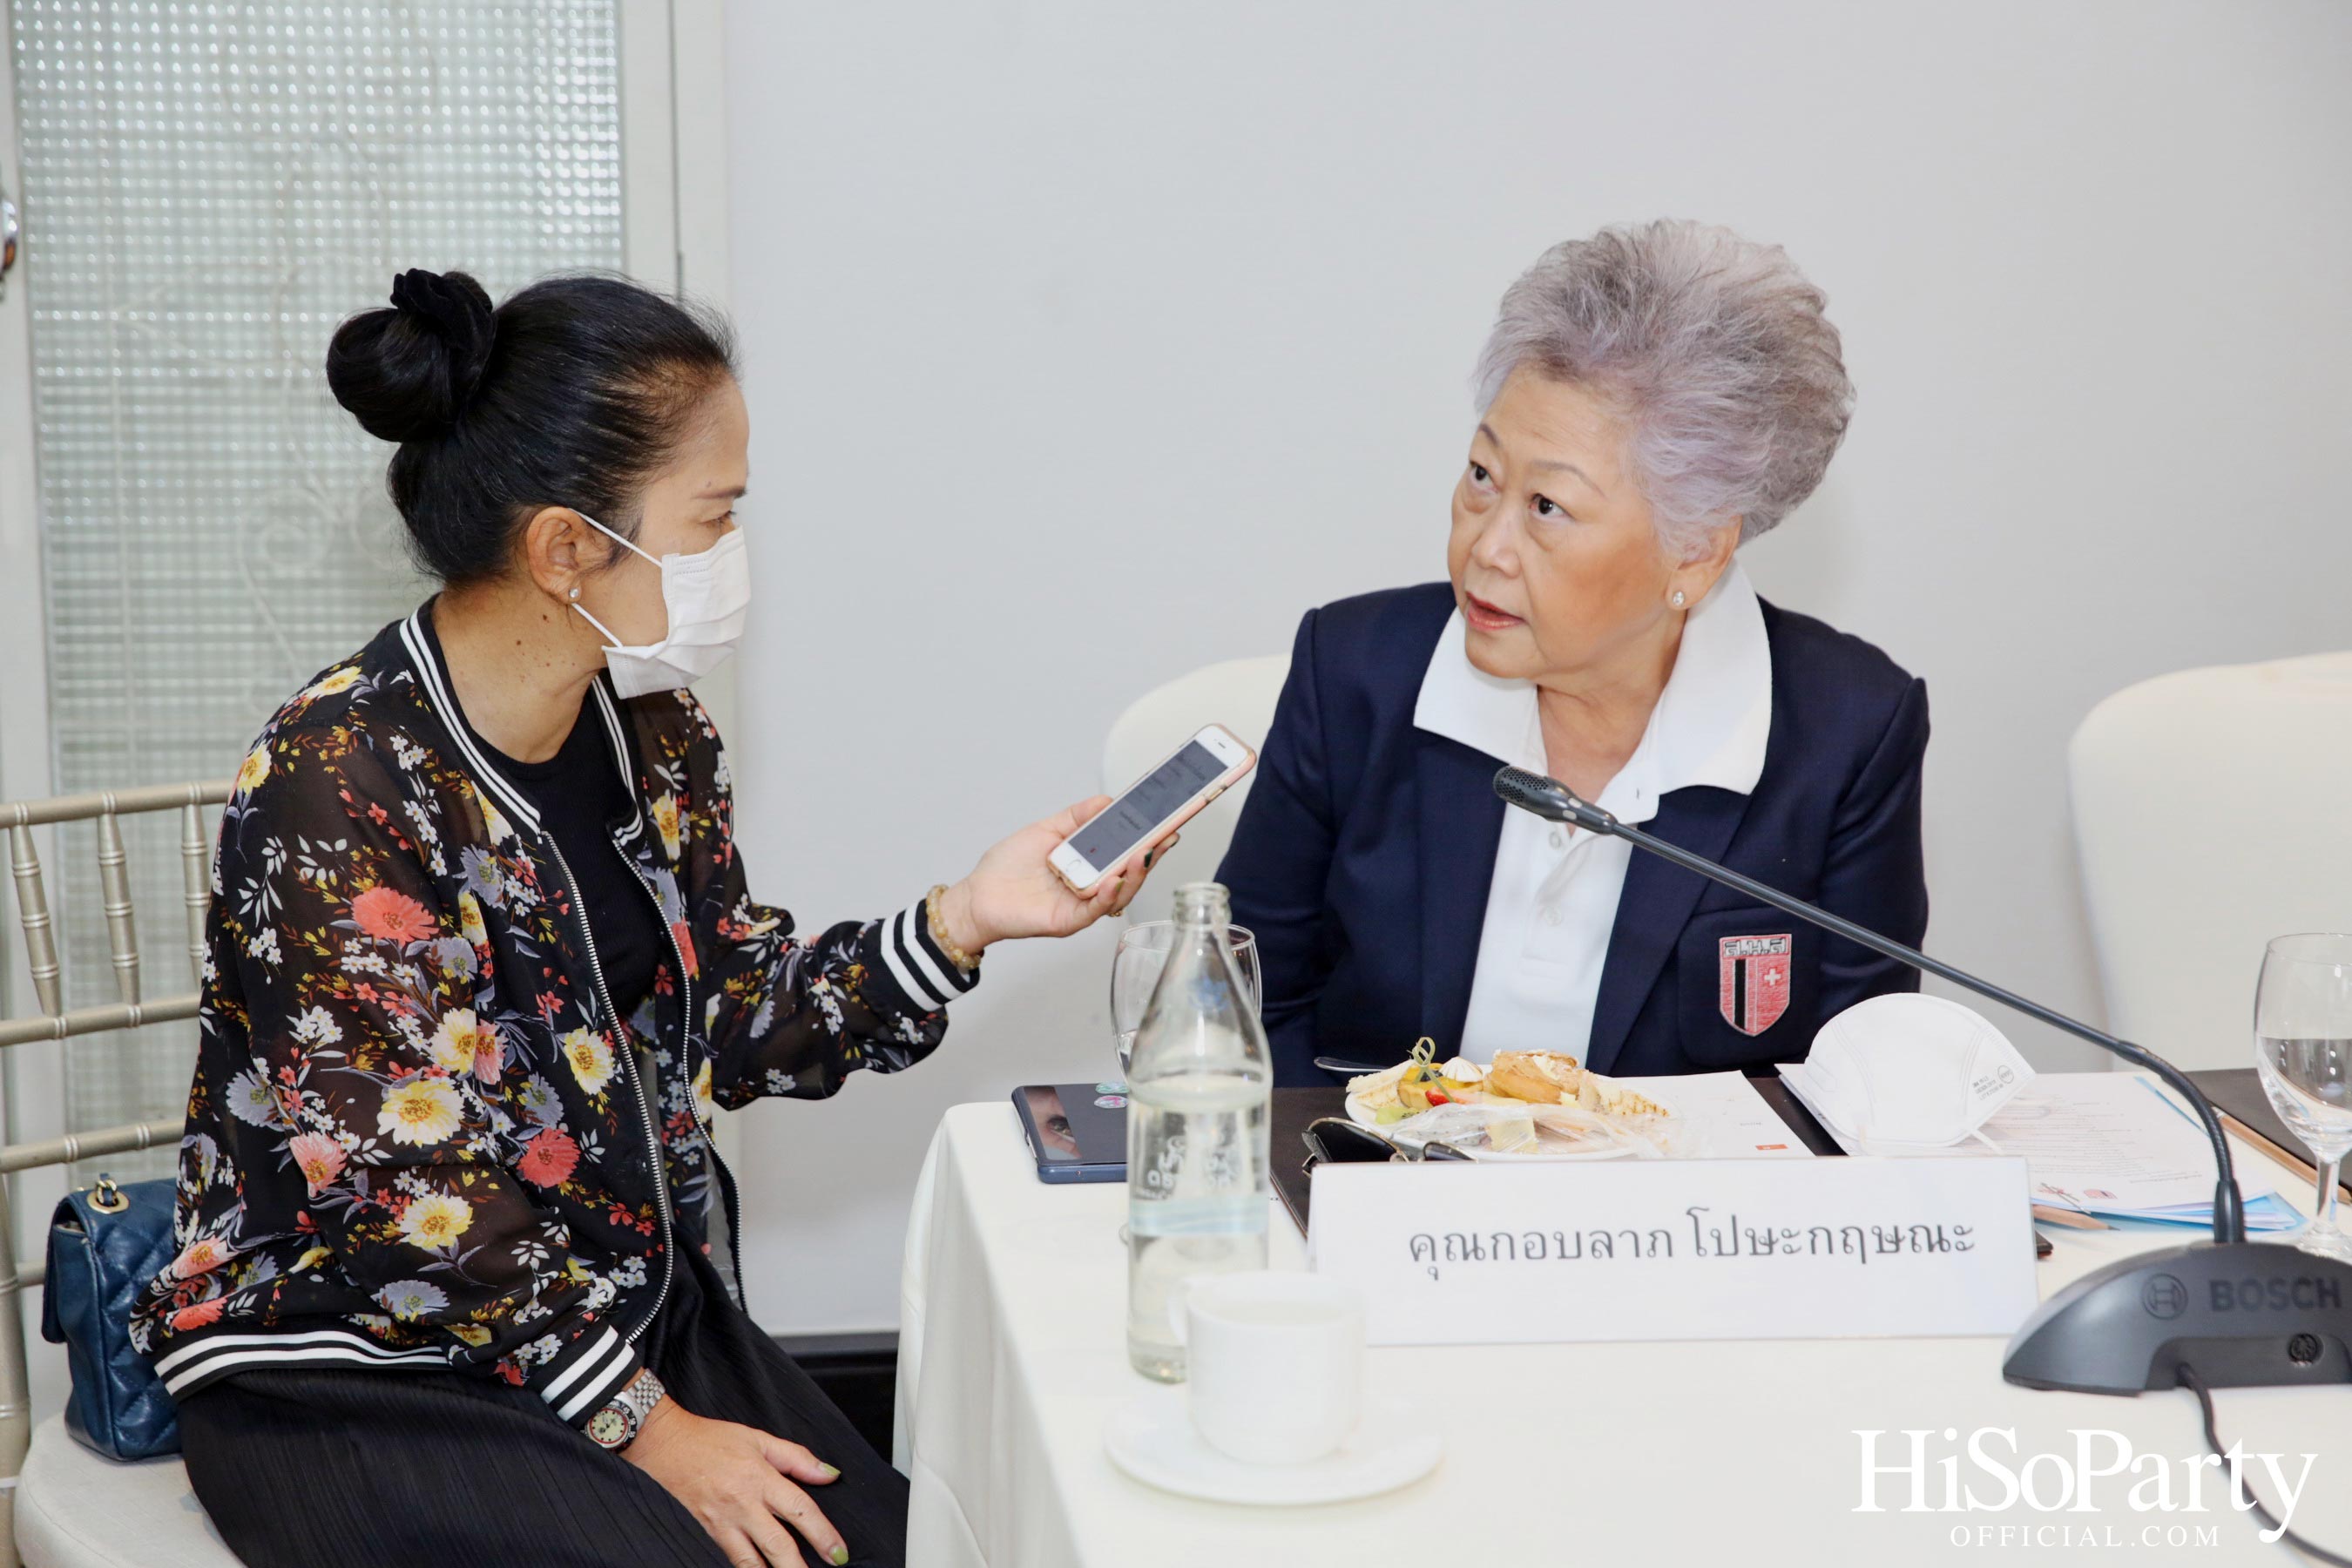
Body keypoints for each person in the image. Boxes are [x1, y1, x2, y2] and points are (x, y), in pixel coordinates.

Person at [131, 268, 1173, 1568]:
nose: (734, 556)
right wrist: (649, 1431)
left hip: (627, 1304)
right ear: (570, 546)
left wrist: (968, 918)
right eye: (714, 516)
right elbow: (412, 1191)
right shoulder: (333, 779)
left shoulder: (657, 738)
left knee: (915, 1548)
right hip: (358, 1356)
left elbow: (734, 1020)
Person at [1219, 220, 1928, 1088]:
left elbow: (1853, 1081)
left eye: (1549, 507)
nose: (1488, 548)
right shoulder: (1356, 673)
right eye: (1483, 476)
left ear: (1695, 553)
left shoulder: (1845, 731)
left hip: (1677, 1218)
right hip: (1381, 1192)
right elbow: (1241, 1010)